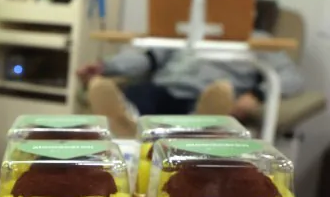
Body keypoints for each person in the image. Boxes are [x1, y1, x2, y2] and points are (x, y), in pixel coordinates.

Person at [77, 41, 305, 137]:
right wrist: (106, 66)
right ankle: (127, 123)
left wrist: (256, 95)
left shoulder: (259, 42)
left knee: (220, 94)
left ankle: (197, 128)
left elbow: (291, 76)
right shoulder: (185, 31)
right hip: (163, 88)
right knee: (139, 94)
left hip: (203, 96)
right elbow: (147, 57)